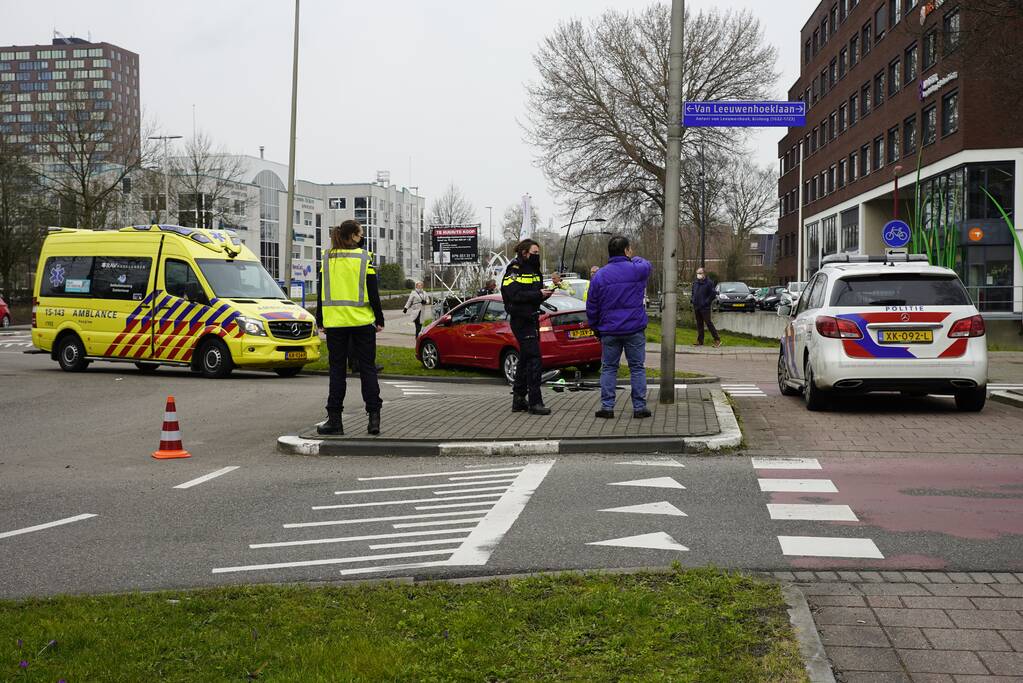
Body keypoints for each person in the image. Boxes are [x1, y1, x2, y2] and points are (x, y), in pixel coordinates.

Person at [315, 220, 385, 436]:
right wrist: (380, 318)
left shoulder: (327, 259)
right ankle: (374, 420)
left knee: (337, 372)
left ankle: (335, 420)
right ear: (354, 235)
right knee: (367, 369)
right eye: (361, 233)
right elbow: (373, 293)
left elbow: (321, 293)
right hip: (362, 323)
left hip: (335, 324)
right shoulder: (364, 258)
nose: (362, 236)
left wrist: (321, 320)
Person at [586, 235, 653, 419]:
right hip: (634, 329)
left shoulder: (600, 275)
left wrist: (595, 327)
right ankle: (639, 408)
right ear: (626, 251)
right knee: (637, 368)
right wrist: (634, 258)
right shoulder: (636, 269)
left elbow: (592, 305)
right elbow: (647, 265)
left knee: (608, 368)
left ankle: (607, 407)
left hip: (609, 330)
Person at [501, 239, 553, 415]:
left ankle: (519, 399)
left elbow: (532, 296)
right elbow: (513, 294)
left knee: (524, 360)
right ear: (525, 252)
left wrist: (545, 294)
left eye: (538, 252)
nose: (537, 255)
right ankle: (535, 402)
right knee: (534, 360)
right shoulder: (514, 270)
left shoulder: (534, 270)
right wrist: (537, 293)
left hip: (532, 318)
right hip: (520, 320)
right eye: (534, 252)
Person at [691, 266, 722, 348]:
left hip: (705, 307)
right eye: (697, 273)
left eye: (700, 273)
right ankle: (700, 341)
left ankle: (717, 340)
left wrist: (706, 302)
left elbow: (713, 294)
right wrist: (693, 300)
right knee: (699, 323)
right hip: (696, 306)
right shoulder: (696, 282)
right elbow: (693, 291)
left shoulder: (709, 283)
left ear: (704, 274)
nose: (698, 275)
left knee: (708, 323)